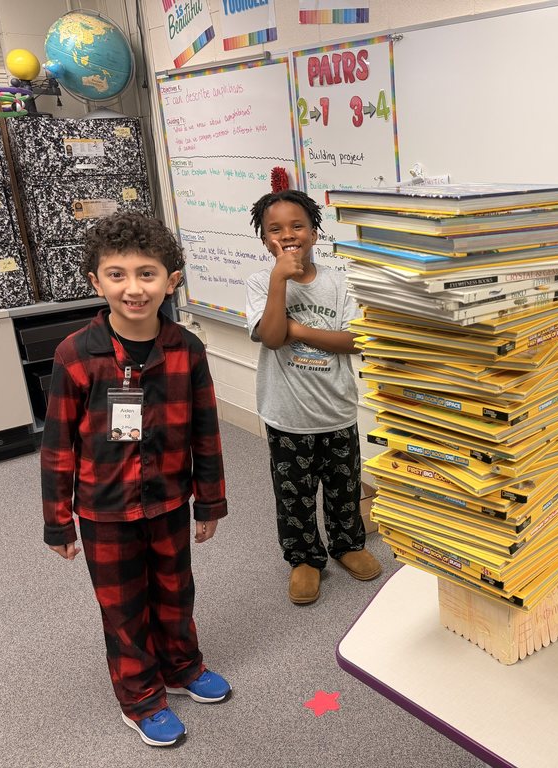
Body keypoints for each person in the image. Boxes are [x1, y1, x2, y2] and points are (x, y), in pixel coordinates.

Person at [41, 212, 231, 747]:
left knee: (176, 592)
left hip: (169, 499)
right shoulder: (76, 355)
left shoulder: (186, 350)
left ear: (171, 280)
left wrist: (209, 502)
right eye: (117, 274)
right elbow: (57, 445)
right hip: (104, 510)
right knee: (123, 607)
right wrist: (59, 523)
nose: (133, 287)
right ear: (95, 283)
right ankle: (141, 696)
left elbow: (206, 431)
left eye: (147, 273)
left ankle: (182, 667)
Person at [245, 184, 381, 606]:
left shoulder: (339, 284)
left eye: (297, 225)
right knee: (294, 493)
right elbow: (270, 337)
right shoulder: (259, 283)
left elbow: (354, 341)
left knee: (343, 487)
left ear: (314, 233)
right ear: (266, 239)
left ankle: (347, 544)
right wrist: (278, 283)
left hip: (336, 410)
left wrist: (297, 329)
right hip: (286, 415)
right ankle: (304, 558)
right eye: (276, 228)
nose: (288, 234)